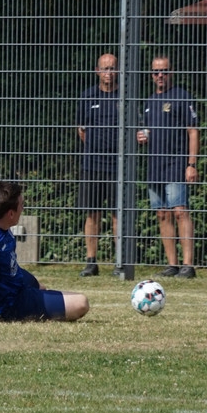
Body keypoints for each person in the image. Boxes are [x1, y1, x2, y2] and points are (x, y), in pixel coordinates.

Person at [0, 181, 89, 325]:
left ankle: (40, 301)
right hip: (9, 303)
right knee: (81, 303)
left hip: (14, 278)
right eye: (21, 205)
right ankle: (26, 309)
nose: (23, 208)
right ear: (10, 213)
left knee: (40, 287)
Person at [137, 56, 199, 279]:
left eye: (164, 71)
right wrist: (141, 137)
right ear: (151, 75)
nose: (160, 75)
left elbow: (193, 131)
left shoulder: (182, 97)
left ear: (171, 72)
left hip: (176, 163)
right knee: (162, 214)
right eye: (156, 72)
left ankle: (188, 265)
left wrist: (191, 164)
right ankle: (172, 265)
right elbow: (145, 131)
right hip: (155, 165)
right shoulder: (149, 101)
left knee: (180, 211)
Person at [76, 52, 120, 277]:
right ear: (97, 71)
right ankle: (91, 261)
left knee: (117, 214)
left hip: (117, 167)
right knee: (92, 213)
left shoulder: (124, 97)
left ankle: (119, 262)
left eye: (112, 68)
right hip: (92, 164)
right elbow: (81, 131)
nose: (108, 73)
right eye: (105, 68)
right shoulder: (87, 96)